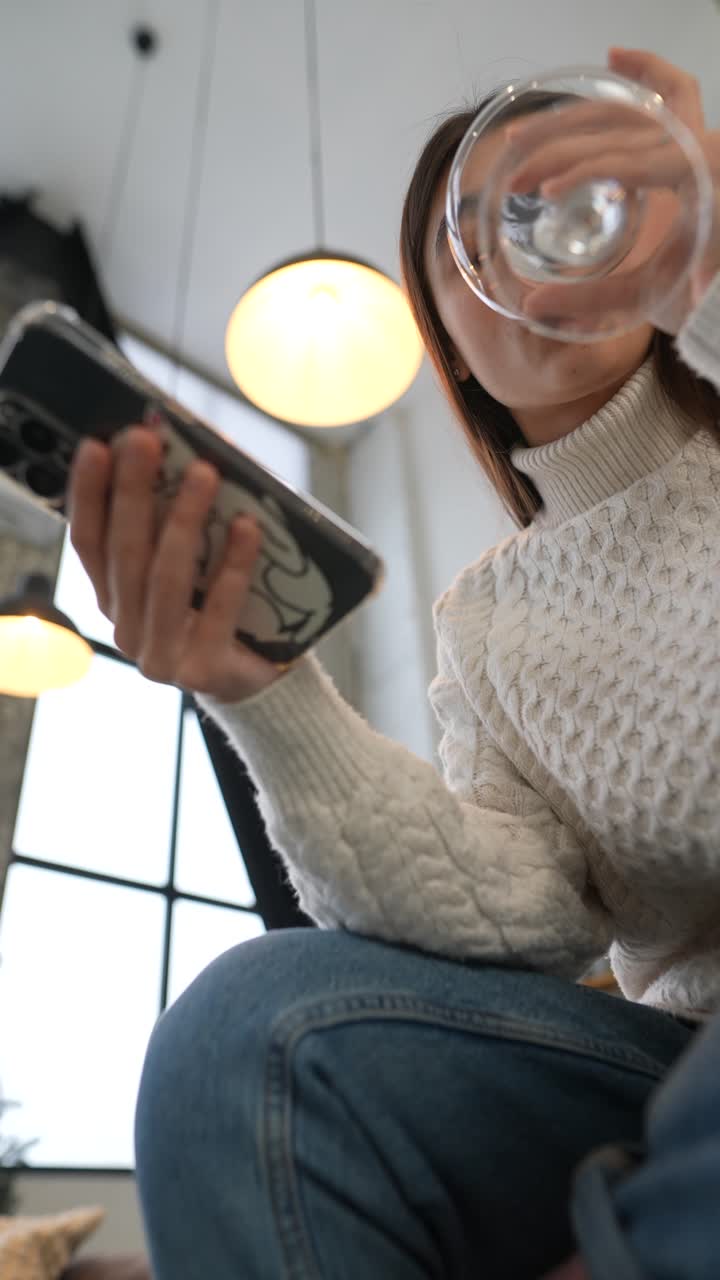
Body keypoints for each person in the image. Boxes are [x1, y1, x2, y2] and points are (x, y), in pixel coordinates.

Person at [67, 46, 720, 1280]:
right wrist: (260, 691)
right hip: (668, 1064)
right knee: (246, 1033)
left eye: (562, 201)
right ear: (453, 347)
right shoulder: (487, 621)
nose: (529, 236)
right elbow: (512, 910)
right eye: (478, 226)